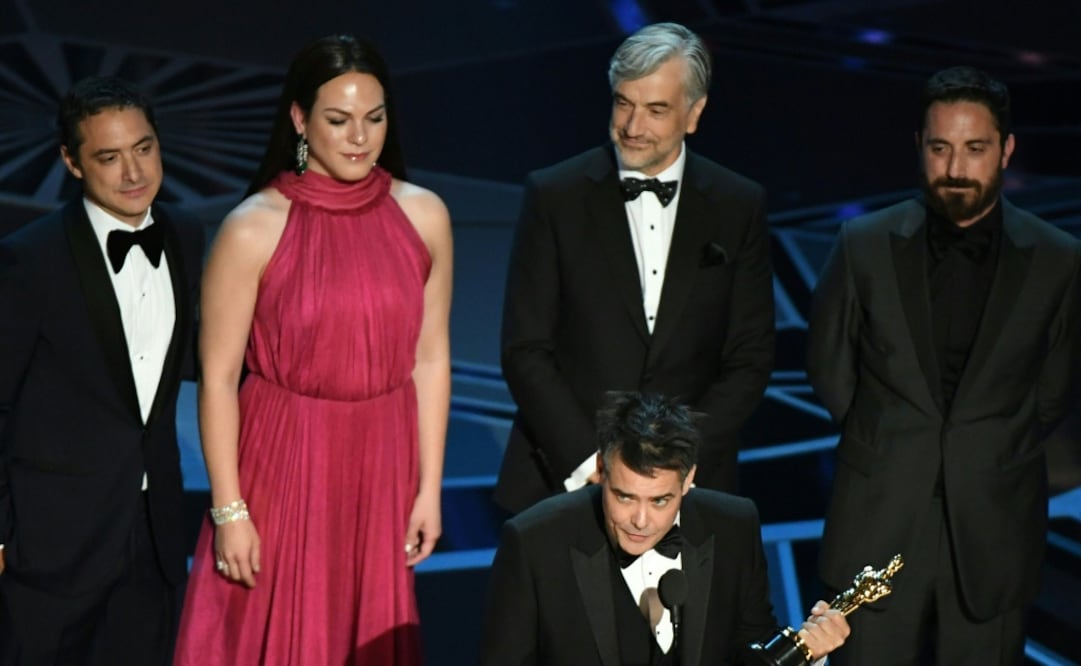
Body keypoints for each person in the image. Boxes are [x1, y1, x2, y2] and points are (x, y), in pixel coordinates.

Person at [173, 34, 452, 665]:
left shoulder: (424, 215)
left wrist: (428, 489)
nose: (360, 137)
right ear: (300, 119)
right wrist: (229, 510)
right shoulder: (252, 227)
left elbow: (431, 357)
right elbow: (218, 378)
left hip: (382, 460)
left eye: (374, 118)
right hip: (282, 459)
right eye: (338, 119)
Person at [807, 65, 1081, 664]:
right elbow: (828, 366)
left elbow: (1055, 389)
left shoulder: (1059, 260)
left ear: (1006, 150)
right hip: (878, 512)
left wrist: (985, 443)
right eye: (941, 148)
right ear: (919, 147)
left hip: (994, 521)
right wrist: (886, 436)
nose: (956, 168)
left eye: (975, 148)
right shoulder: (862, 244)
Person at [496, 22, 774, 514]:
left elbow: (749, 358)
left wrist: (673, 465)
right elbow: (526, 349)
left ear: (694, 113)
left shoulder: (738, 205)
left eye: (656, 109)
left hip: (692, 488)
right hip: (564, 484)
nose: (632, 125)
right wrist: (593, 464)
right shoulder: (555, 195)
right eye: (624, 103)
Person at [0, 76, 204, 664]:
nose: (133, 172)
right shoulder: (29, 258)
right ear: (72, 162)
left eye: (143, 148)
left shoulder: (185, 234)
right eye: (109, 157)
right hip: (51, 542)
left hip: (154, 533)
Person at [481, 391, 849, 665]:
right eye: (624, 497)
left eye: (659, 501)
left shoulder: (732, 526)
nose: (640, 521)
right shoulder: (535, 542)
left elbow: (750, 649)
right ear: (602, 470)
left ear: (688, 480)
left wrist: (806, 652)